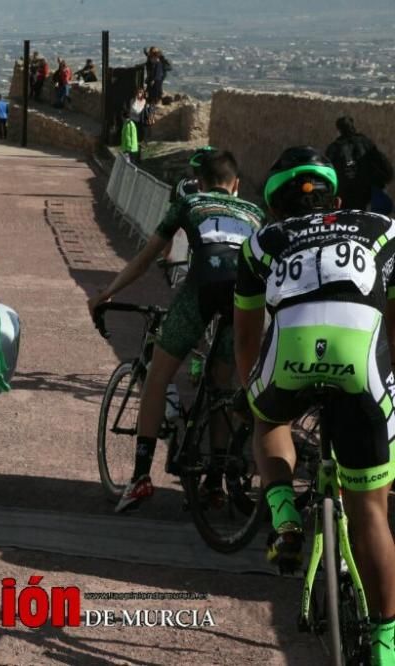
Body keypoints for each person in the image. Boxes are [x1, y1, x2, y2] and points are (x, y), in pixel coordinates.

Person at [233, 146, 395, 666]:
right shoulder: (380, 226)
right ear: (339, 199)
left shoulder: (263, 241)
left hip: (290, 359)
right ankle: (387, 642)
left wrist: (254, 399)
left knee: (267, 418)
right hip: (361, 363)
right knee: (370, 509)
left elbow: (244, 336)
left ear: (274, 207)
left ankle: (283, 515)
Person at [88, 151, 264, 512]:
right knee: (223, 386)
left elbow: (146, 256)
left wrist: (107, 292)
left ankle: (140, 477)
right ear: (236, 186)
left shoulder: (191, 202)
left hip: (201, 291)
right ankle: (215, 483)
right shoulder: (254, 212)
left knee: (157, 376)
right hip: (243, 297)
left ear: (200, 182)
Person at [325, 115, 394, 211]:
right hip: (365, 193)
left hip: (344, 195)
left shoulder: (334, 148)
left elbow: (328, 171)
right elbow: (381, 163)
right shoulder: (366, 143)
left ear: (339, 129)